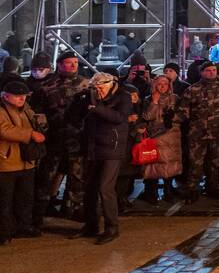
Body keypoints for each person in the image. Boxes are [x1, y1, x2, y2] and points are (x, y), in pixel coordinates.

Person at [34, 52, 90, 223]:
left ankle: (74, 208)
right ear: (59, 65)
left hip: (77, 139)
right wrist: (44, 131)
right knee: (47, 177)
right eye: (68, 62)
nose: (73, 66)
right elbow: (39, 113)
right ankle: (39, 211)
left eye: (75, 62)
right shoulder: (47, 87)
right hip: (54, 140)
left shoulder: (85, 85)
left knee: (77, 176)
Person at [78, 73, 133, 244]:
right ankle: (91, 225)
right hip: (93, 147)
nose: (98, 91)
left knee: (105, 188)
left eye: (101, 87)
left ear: (111, 84)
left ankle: (112, 227)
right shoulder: (90, 97)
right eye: (95, 88)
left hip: (112, 148)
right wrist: (82, 101)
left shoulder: (123, 97)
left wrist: (97, 107)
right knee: (90, 188)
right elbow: (76, 117)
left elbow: (119, 118)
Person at [178, 62, 219, 202]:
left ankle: (215, 188)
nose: (211, 72)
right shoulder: (192, 90)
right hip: (197, 134)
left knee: (217, 162)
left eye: (214, 70)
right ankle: (192, 190)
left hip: (218, 133)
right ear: (202, 72)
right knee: (195, 163)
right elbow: (183, 112)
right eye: (208, 70)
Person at [0, 82, 46, 245]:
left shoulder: (26, 109)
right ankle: (4, 232)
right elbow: (4, 130)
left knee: (24, 197)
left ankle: (23, 226)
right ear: (5, 96)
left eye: (24, 95)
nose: (22, 98)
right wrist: (30, 134)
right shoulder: (1, 110)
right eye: (18, 96)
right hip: (6, 163)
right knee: (5, 200)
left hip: (26, 162)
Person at [136, 75, 183, 203]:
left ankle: (168, 190)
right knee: (153, 165)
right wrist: (154, 103)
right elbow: (146, 116)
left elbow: (182, 116)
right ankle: (151, 192)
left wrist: (172, 117)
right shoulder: (148, 99)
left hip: (171, 136)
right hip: (155, 136)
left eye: (165, 84)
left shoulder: (175, 98)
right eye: (159, 84)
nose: (162, 87)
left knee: (169, 164)